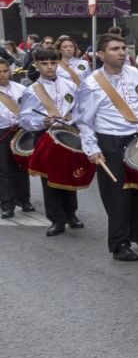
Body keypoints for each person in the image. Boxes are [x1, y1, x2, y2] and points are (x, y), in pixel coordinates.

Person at [74, 33, 138, 262]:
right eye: (115, 49)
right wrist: (91, 147)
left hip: (136, 137)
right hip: (110, 141)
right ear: (101, 54)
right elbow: (83, 120)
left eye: (123, 48)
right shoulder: (92, 84)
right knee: (116, 195)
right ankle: (119, 243)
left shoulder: (135, 74)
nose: (122, 52)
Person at [18, 46, 82, 235]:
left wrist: (73, 117)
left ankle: (71, 213)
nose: (49, 67)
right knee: (50, 177)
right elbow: (25, 119)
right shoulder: (32, 90)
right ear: (36, 65)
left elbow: (79, 107)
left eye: (53, 63)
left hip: (68, 133)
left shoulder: (70, 84)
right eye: (44, 63)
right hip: (46, 135)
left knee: (70, 173)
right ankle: (57, 219)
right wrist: (42, 120)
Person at [0, 59, 35, 219]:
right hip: (1, 133)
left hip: (21, 132)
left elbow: (30, 111)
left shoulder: (21, 89)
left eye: (5, 71)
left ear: (10, 71)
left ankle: (24, 200)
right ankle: (7, 205)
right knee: (4, 170)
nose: (2, 75)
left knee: (22, 168)